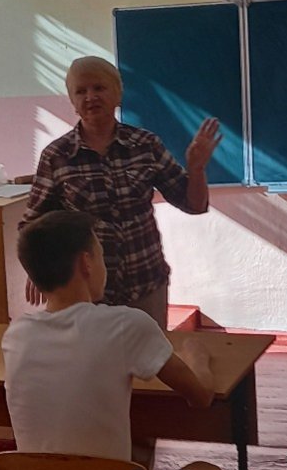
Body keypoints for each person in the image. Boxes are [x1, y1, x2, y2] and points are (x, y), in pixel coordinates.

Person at [3, 210, 224, 470]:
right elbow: (201, 397)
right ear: (86, 262)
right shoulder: (125, 325)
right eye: (100, 254)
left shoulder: (16, 335)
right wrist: (197, 356)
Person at [21, 56, 222, 328]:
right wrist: (39, 270)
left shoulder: (145, 145)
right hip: (85, 293)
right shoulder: (57, 156)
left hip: (145, 284)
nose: (90, 97)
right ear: (72, 102)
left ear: (117, 94)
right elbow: (33, 224)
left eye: (99, 88)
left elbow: (194, 204)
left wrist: (196, 169)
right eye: (81, 91)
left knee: (150, 355)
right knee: (93, 356)